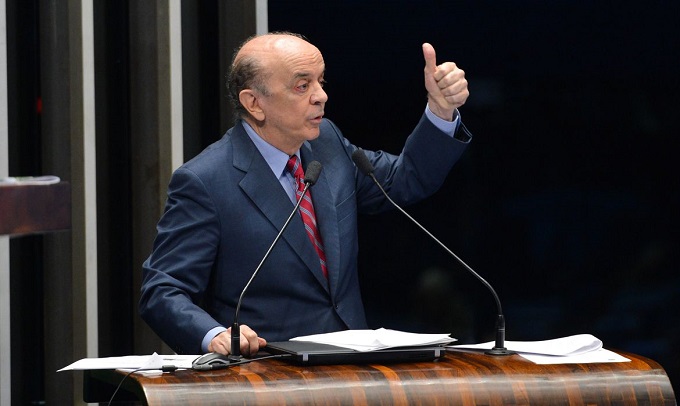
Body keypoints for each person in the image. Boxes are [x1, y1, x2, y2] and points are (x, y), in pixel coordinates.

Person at [139, 32, 472, 356]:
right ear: (254, 103)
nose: (321, 96)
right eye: (302, 85)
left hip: (355, 370)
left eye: (320, 81)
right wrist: (214, 336)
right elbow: (163, 289)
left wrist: (440, 111)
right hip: (267, 373)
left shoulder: (327, 143)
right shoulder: (205, 181)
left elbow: (405, 179)